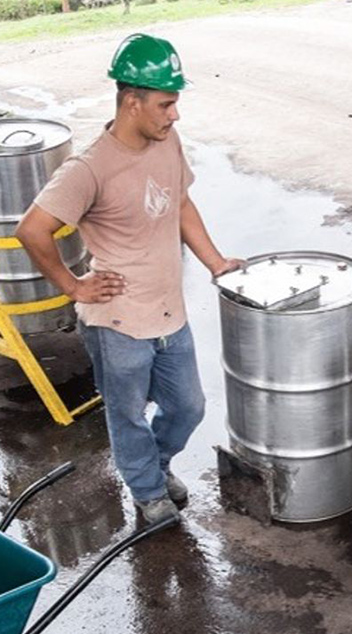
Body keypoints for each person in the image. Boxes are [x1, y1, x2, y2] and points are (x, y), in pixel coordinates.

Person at [16, 33, 242, 523]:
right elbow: (33, 229)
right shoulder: (89, 168)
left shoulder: (168, 142)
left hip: (169, 312)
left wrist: (215, 262)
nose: (174, 114)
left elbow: (180, 202)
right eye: (166, 103)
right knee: (127, 414)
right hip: (116, 322)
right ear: (131, 101)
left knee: (188, 408)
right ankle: (146, 491)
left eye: (175, 103)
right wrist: (74, 286)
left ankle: (155, 467)